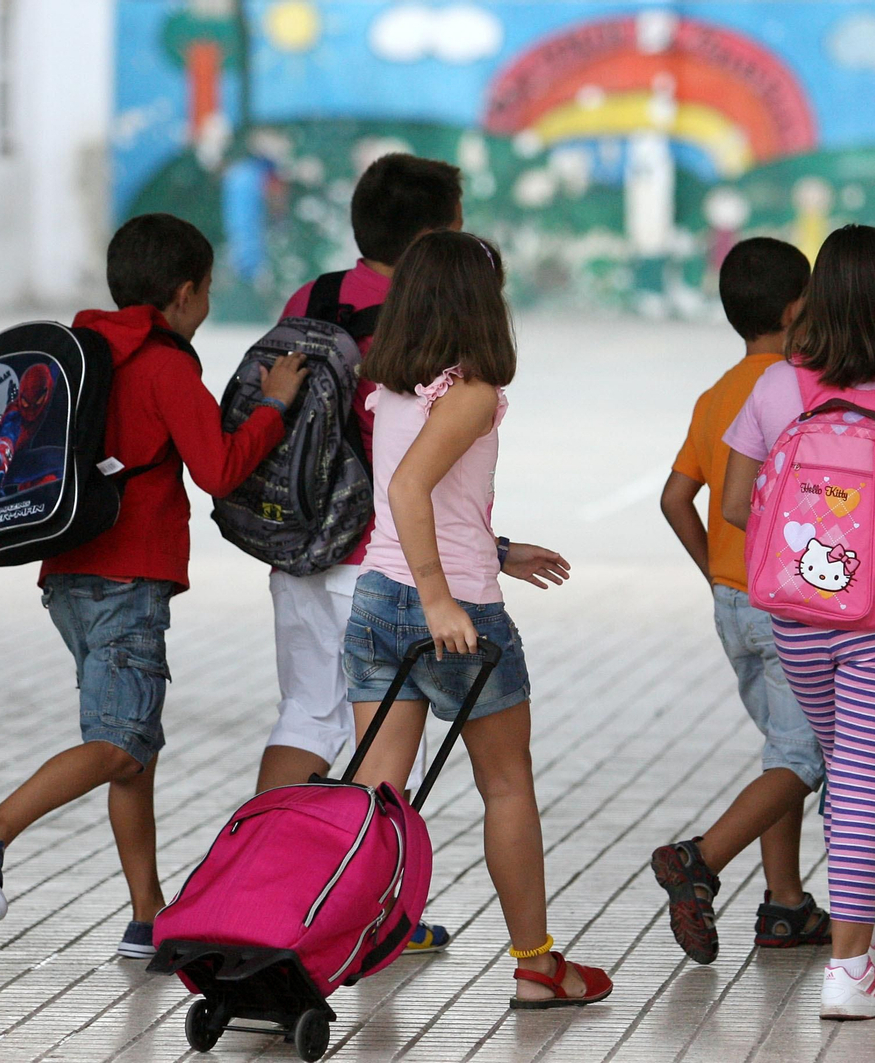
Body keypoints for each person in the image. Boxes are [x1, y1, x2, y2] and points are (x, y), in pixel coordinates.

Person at [0, 213, 309, 960]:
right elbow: (219, 469)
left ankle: (148, 917)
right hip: (127, 578)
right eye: (207, 290)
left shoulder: (85, 351)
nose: (207, 305)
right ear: (184, 292)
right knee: (117, 744)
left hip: (67, 574)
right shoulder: (165, 364)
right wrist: (274, 405)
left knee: (136, 751)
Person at [665, 224, 875, 1019]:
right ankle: (849, 970)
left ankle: (861, 944)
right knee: (865, 785)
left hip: (797, 620)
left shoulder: (780, 387)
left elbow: (736, 503)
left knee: (844, 771)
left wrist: (799, 552)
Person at [341, 230, 608, 1009]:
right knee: (506, 787)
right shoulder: (471, 392)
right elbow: (408, 490)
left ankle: (351, 934)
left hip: (378, 600)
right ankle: (536, 964)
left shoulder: (395, 387)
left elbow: (429, 499)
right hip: (452, 614)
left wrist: (500, 549)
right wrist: (440, 596)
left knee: (377, 797)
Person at [254, 152, 478, 954]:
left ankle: (261, 891)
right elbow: (424, 461)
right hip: (377, 556)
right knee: (385, 740)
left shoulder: (310, 298)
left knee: (305, 714)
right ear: (429, 238)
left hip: (298, 547)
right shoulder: (425, 318)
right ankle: (376, 914)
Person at [654, 237, 831, 964]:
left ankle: (785, 905)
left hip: (733, 601)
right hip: (788, 603)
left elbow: (675, 498)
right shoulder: (802, 389)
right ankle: (699, 859)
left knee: (781, 753)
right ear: (796, 310)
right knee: (803, 753)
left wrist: (715, 572)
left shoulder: (717, 393)